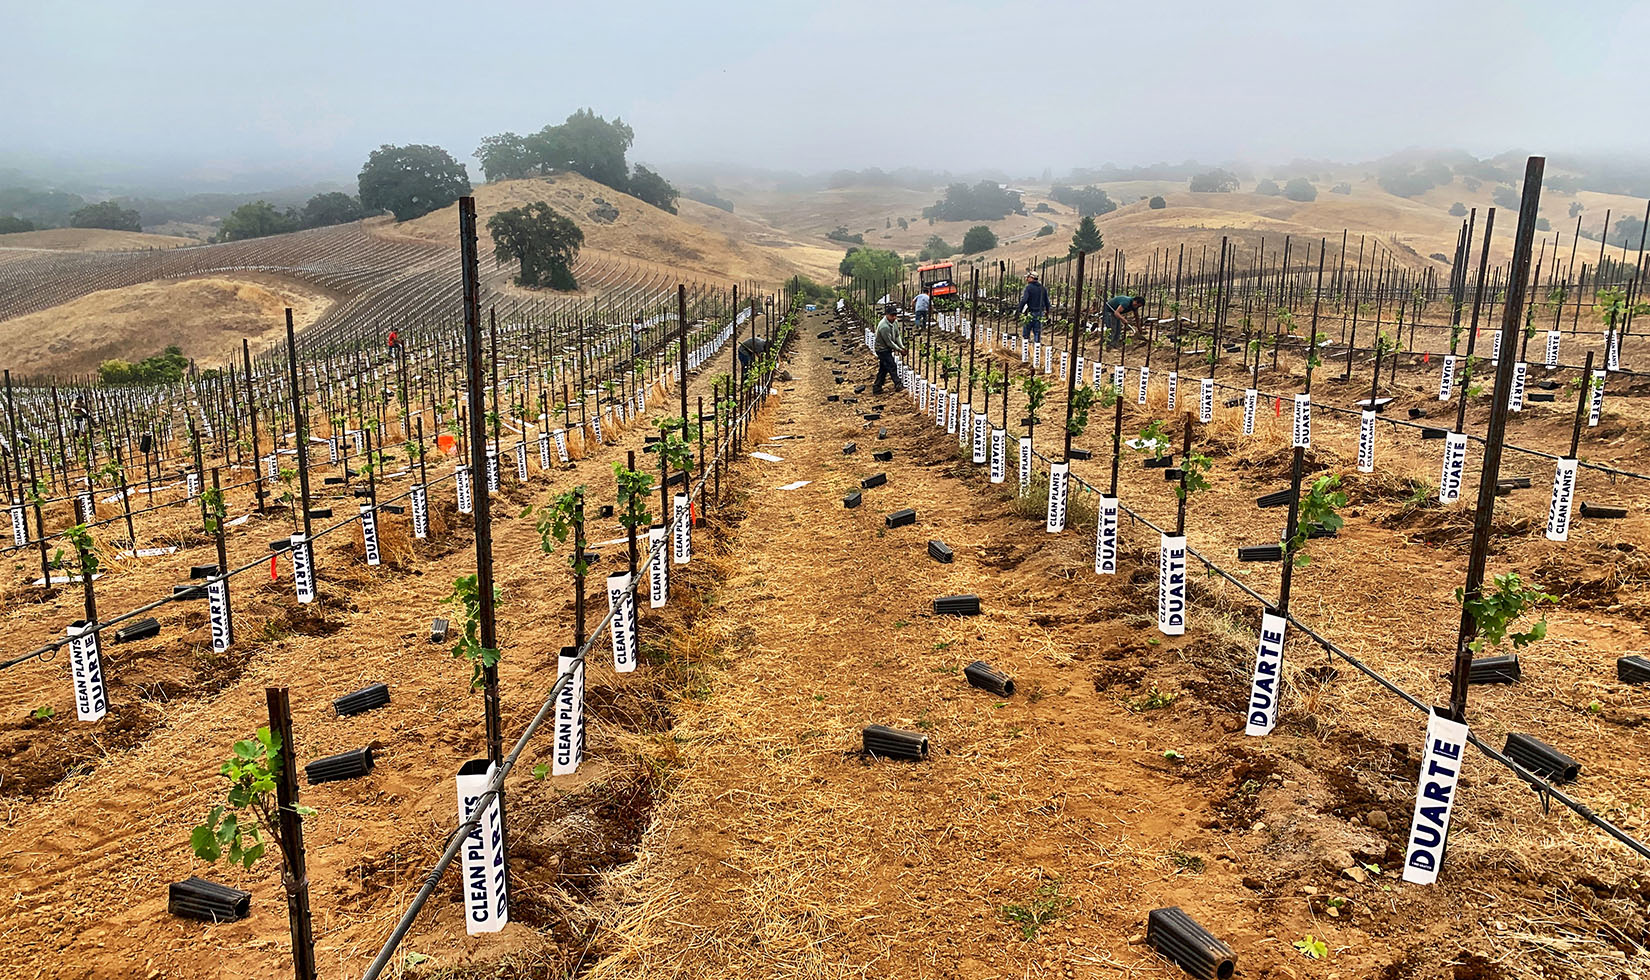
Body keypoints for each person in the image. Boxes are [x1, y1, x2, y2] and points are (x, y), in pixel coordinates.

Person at [873, 305, 906, 394]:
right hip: (881, 349)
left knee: (883, 368)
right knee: (892, 366)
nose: (894, 317)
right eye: (892, 315)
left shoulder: (894, 322)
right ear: (886, 315)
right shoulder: (884, 326)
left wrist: (902, 346)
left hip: (887, 348)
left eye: (895, 315)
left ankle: (877, 387)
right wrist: (900, 350)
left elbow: (897, 335)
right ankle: (898, 384)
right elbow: (889, 342)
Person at [1019, 271, 1051, 343]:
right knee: (1037, 332)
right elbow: (1047, 302)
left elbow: (1024, 300)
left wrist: (1020, 310)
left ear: (1031, 278)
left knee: (1026, 334)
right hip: (1040, 313)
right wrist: (1047, 312)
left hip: (1030, 313)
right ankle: (1036, 349)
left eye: (1027, 278)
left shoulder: (1028, 288)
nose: (1026, 279)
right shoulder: (1043, 288)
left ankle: (1026, 349)